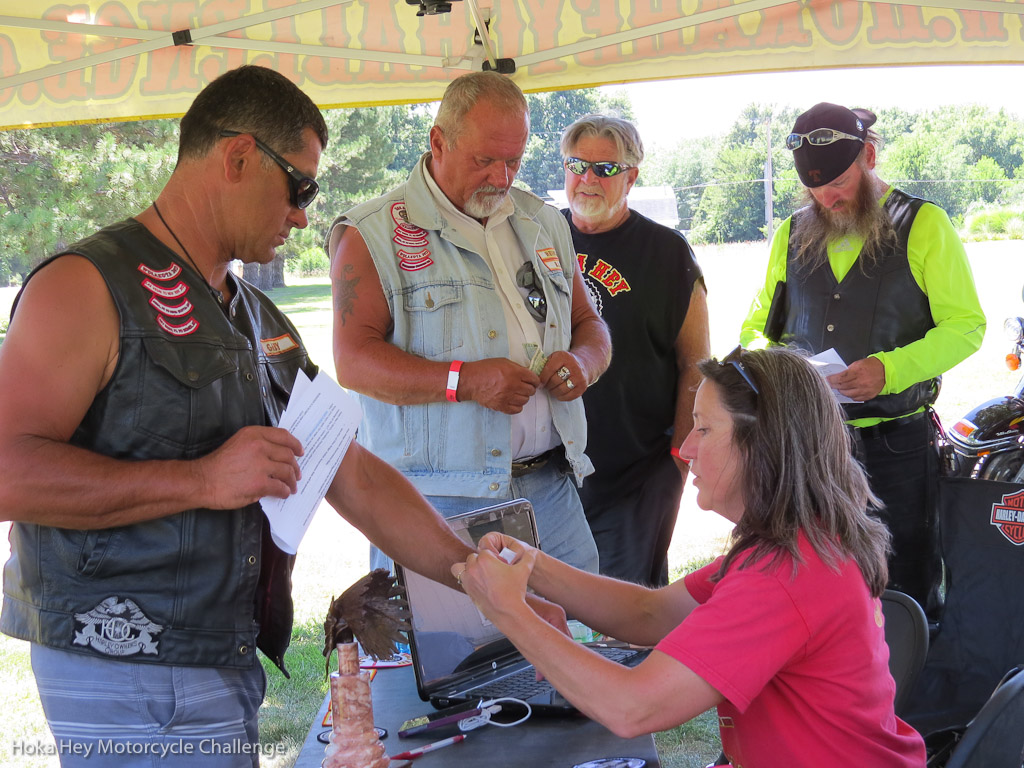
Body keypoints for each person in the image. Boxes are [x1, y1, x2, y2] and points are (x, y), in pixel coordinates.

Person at [0, 66, 490, 767]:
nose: (302, 214)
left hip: (218, 658)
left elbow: (349, 470)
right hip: (124, 664)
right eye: (301, 187)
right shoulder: (85, 286)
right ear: (237, 157)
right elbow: (7, 473)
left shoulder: (257, 317)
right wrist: (199, 481)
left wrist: (473, 573)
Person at [453, 347, 928, 767]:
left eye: (704, 429)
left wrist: (509, 610)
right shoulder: (792, 545)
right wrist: (531, 565)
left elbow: (634, 707)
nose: (685, 449)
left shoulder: (784, 576)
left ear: (761, 446)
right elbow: (649, 613)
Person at [327, 71, 610, 573]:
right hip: (437, 501)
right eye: (484, 161)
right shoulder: (372, 234)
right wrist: (463, 381)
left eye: (513, 161)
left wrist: (584, 363)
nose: (501, 178)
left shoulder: (542, 222)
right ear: (438, 141)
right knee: (460, 651)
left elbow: (588, 321)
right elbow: (353, 362)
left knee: (582, 643)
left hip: (553, 486)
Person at [740, 102, 985, 620]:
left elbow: (966, 326)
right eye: (814, 187)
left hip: (895, 443)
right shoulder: (790, 232)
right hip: (810, 445)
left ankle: (907, 695)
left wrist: (889, 369)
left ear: (869, 156)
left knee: (902, 583)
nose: (827, 197)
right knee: (814, 580)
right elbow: (760, 324)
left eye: (839, 181)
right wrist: (772, 365)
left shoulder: (924, 224)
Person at [560, 115, 709, 586]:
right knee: (548, 619)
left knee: (623, 624)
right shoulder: (538, 239)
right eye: (577, 165)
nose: (588, 179)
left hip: (635, 477)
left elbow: (696, 365)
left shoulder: (666, 253)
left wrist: (678, 463)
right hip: (550, 473)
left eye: (605, 169)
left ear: (632, 177)